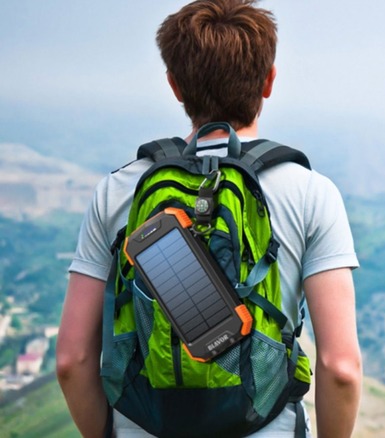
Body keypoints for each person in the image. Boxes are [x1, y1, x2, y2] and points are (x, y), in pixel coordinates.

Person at [55, 1, 363, 436]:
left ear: (175, 85)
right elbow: (340, 367)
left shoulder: (118, 190)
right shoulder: (312, 193)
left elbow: (72, 360)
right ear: (269, 81)